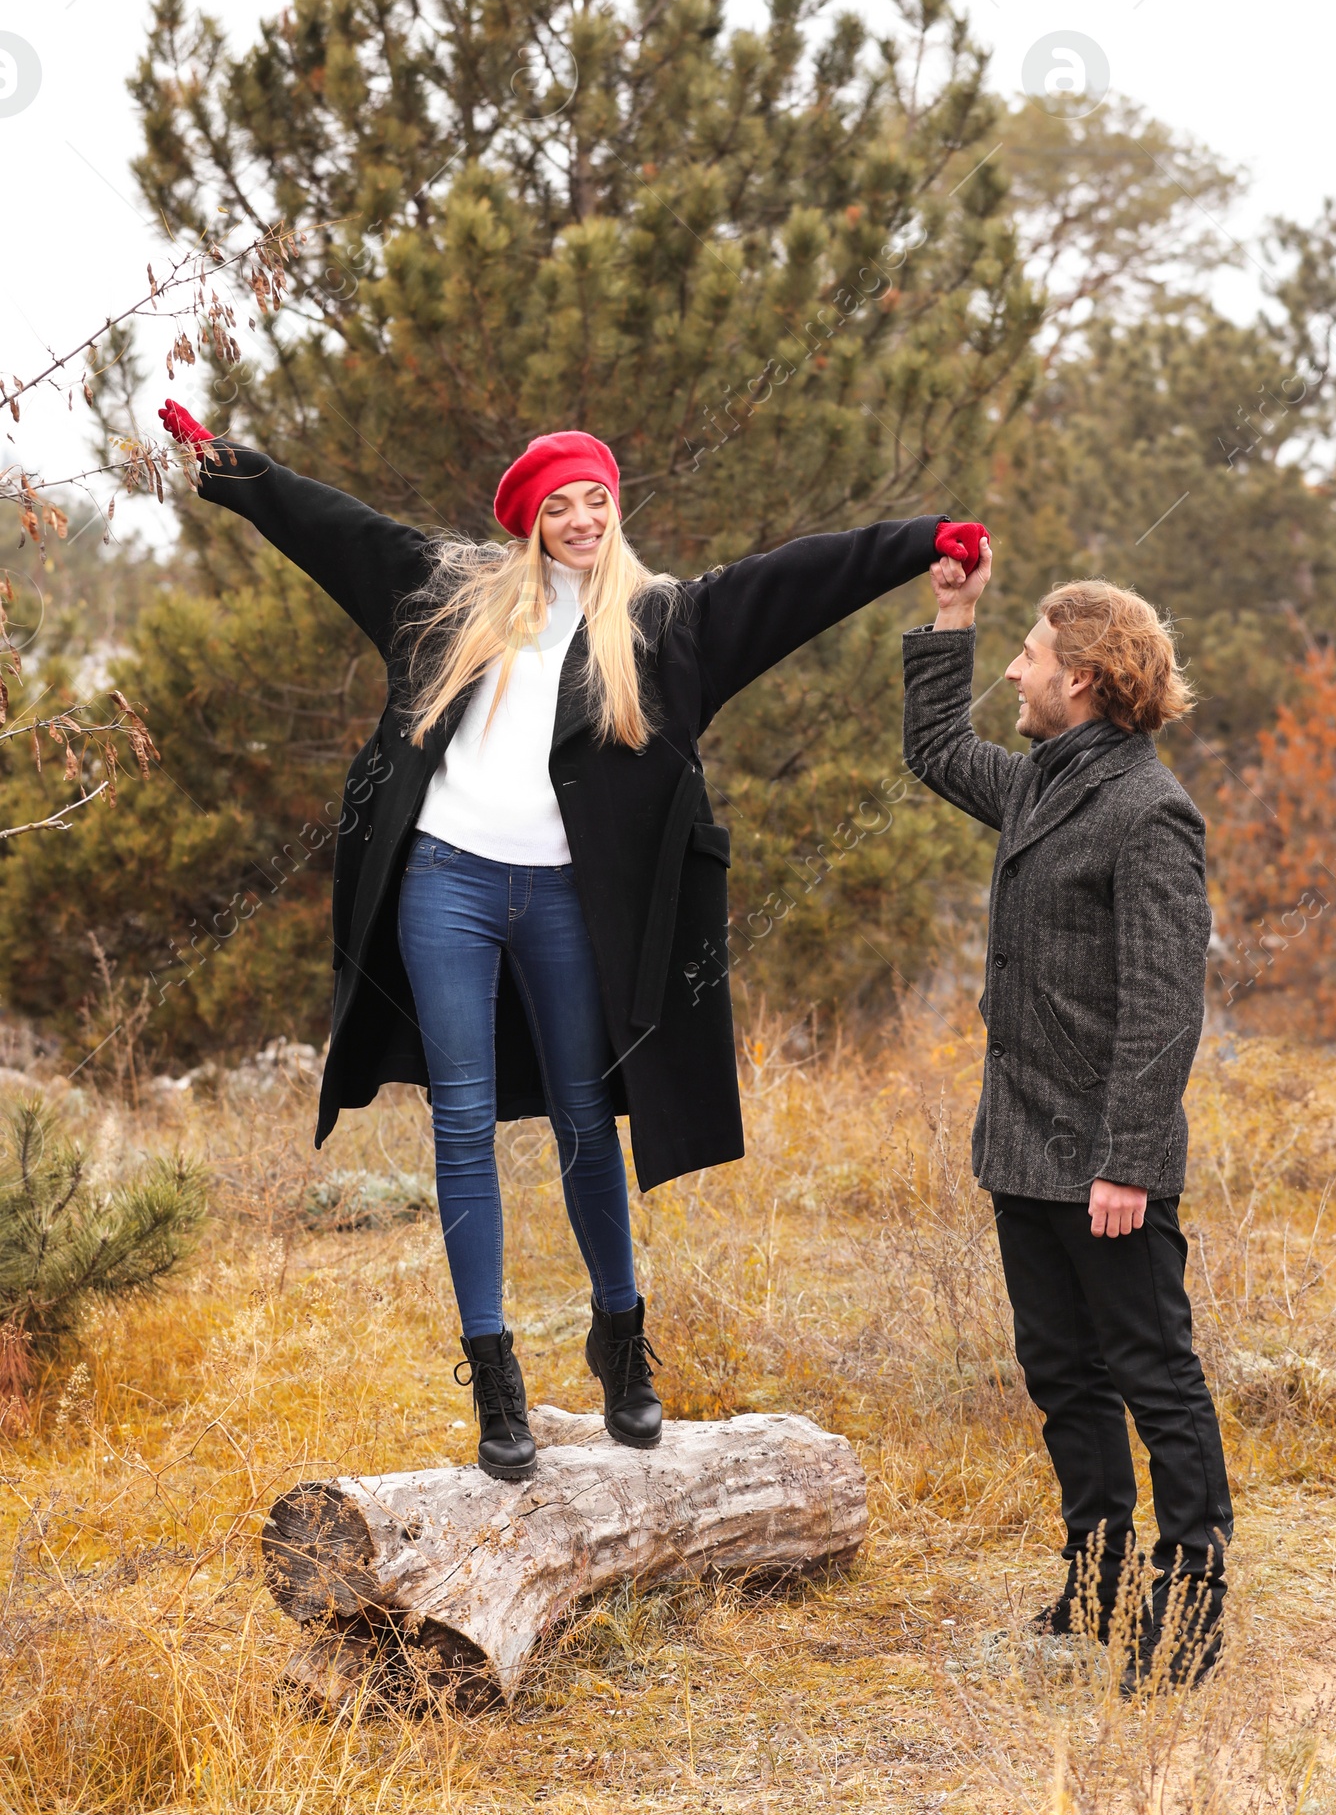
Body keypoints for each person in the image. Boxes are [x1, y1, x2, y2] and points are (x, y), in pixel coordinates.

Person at [159, 397, 983, 1481]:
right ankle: (493, 1372)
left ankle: (621, 1339)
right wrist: (228, 465)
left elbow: (795, 578)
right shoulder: (442, 596)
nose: (585, 518)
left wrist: (922, 541)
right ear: (528, 518)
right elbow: (332, 524)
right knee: (461, 1125)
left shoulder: (664, 625)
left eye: (599, 499)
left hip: (562, 901)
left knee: (588, 1121)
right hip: (443, 885)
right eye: (563, 504)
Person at [902, 539, 1233, 1690]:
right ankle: (1094, 1579)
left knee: (1154, 1372)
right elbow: (937, 748)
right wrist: (954, 612)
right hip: (1020, 1146)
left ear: (1080, 677)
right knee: (1062, 1375)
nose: (1016, 673)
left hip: (1104, 1162)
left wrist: (1127, 1164)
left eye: (1029, 655)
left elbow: (1162, 1009)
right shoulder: (1044, 782)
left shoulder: (1149, 812)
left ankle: (1190, 1603)